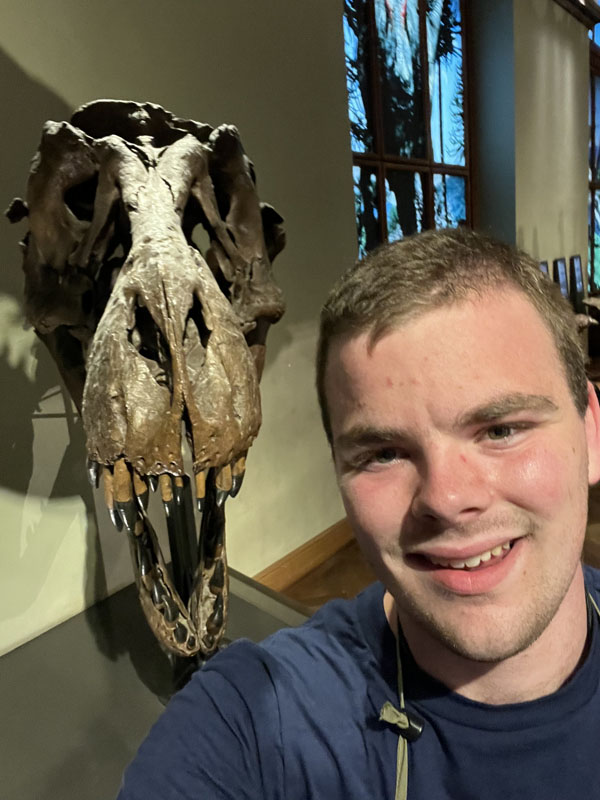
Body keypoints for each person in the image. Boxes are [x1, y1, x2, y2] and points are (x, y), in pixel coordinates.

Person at [117, 228, 600, 799]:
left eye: (501, 429)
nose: (446, 499)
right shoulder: (253, 721)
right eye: (384, 454)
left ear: (591, 431)